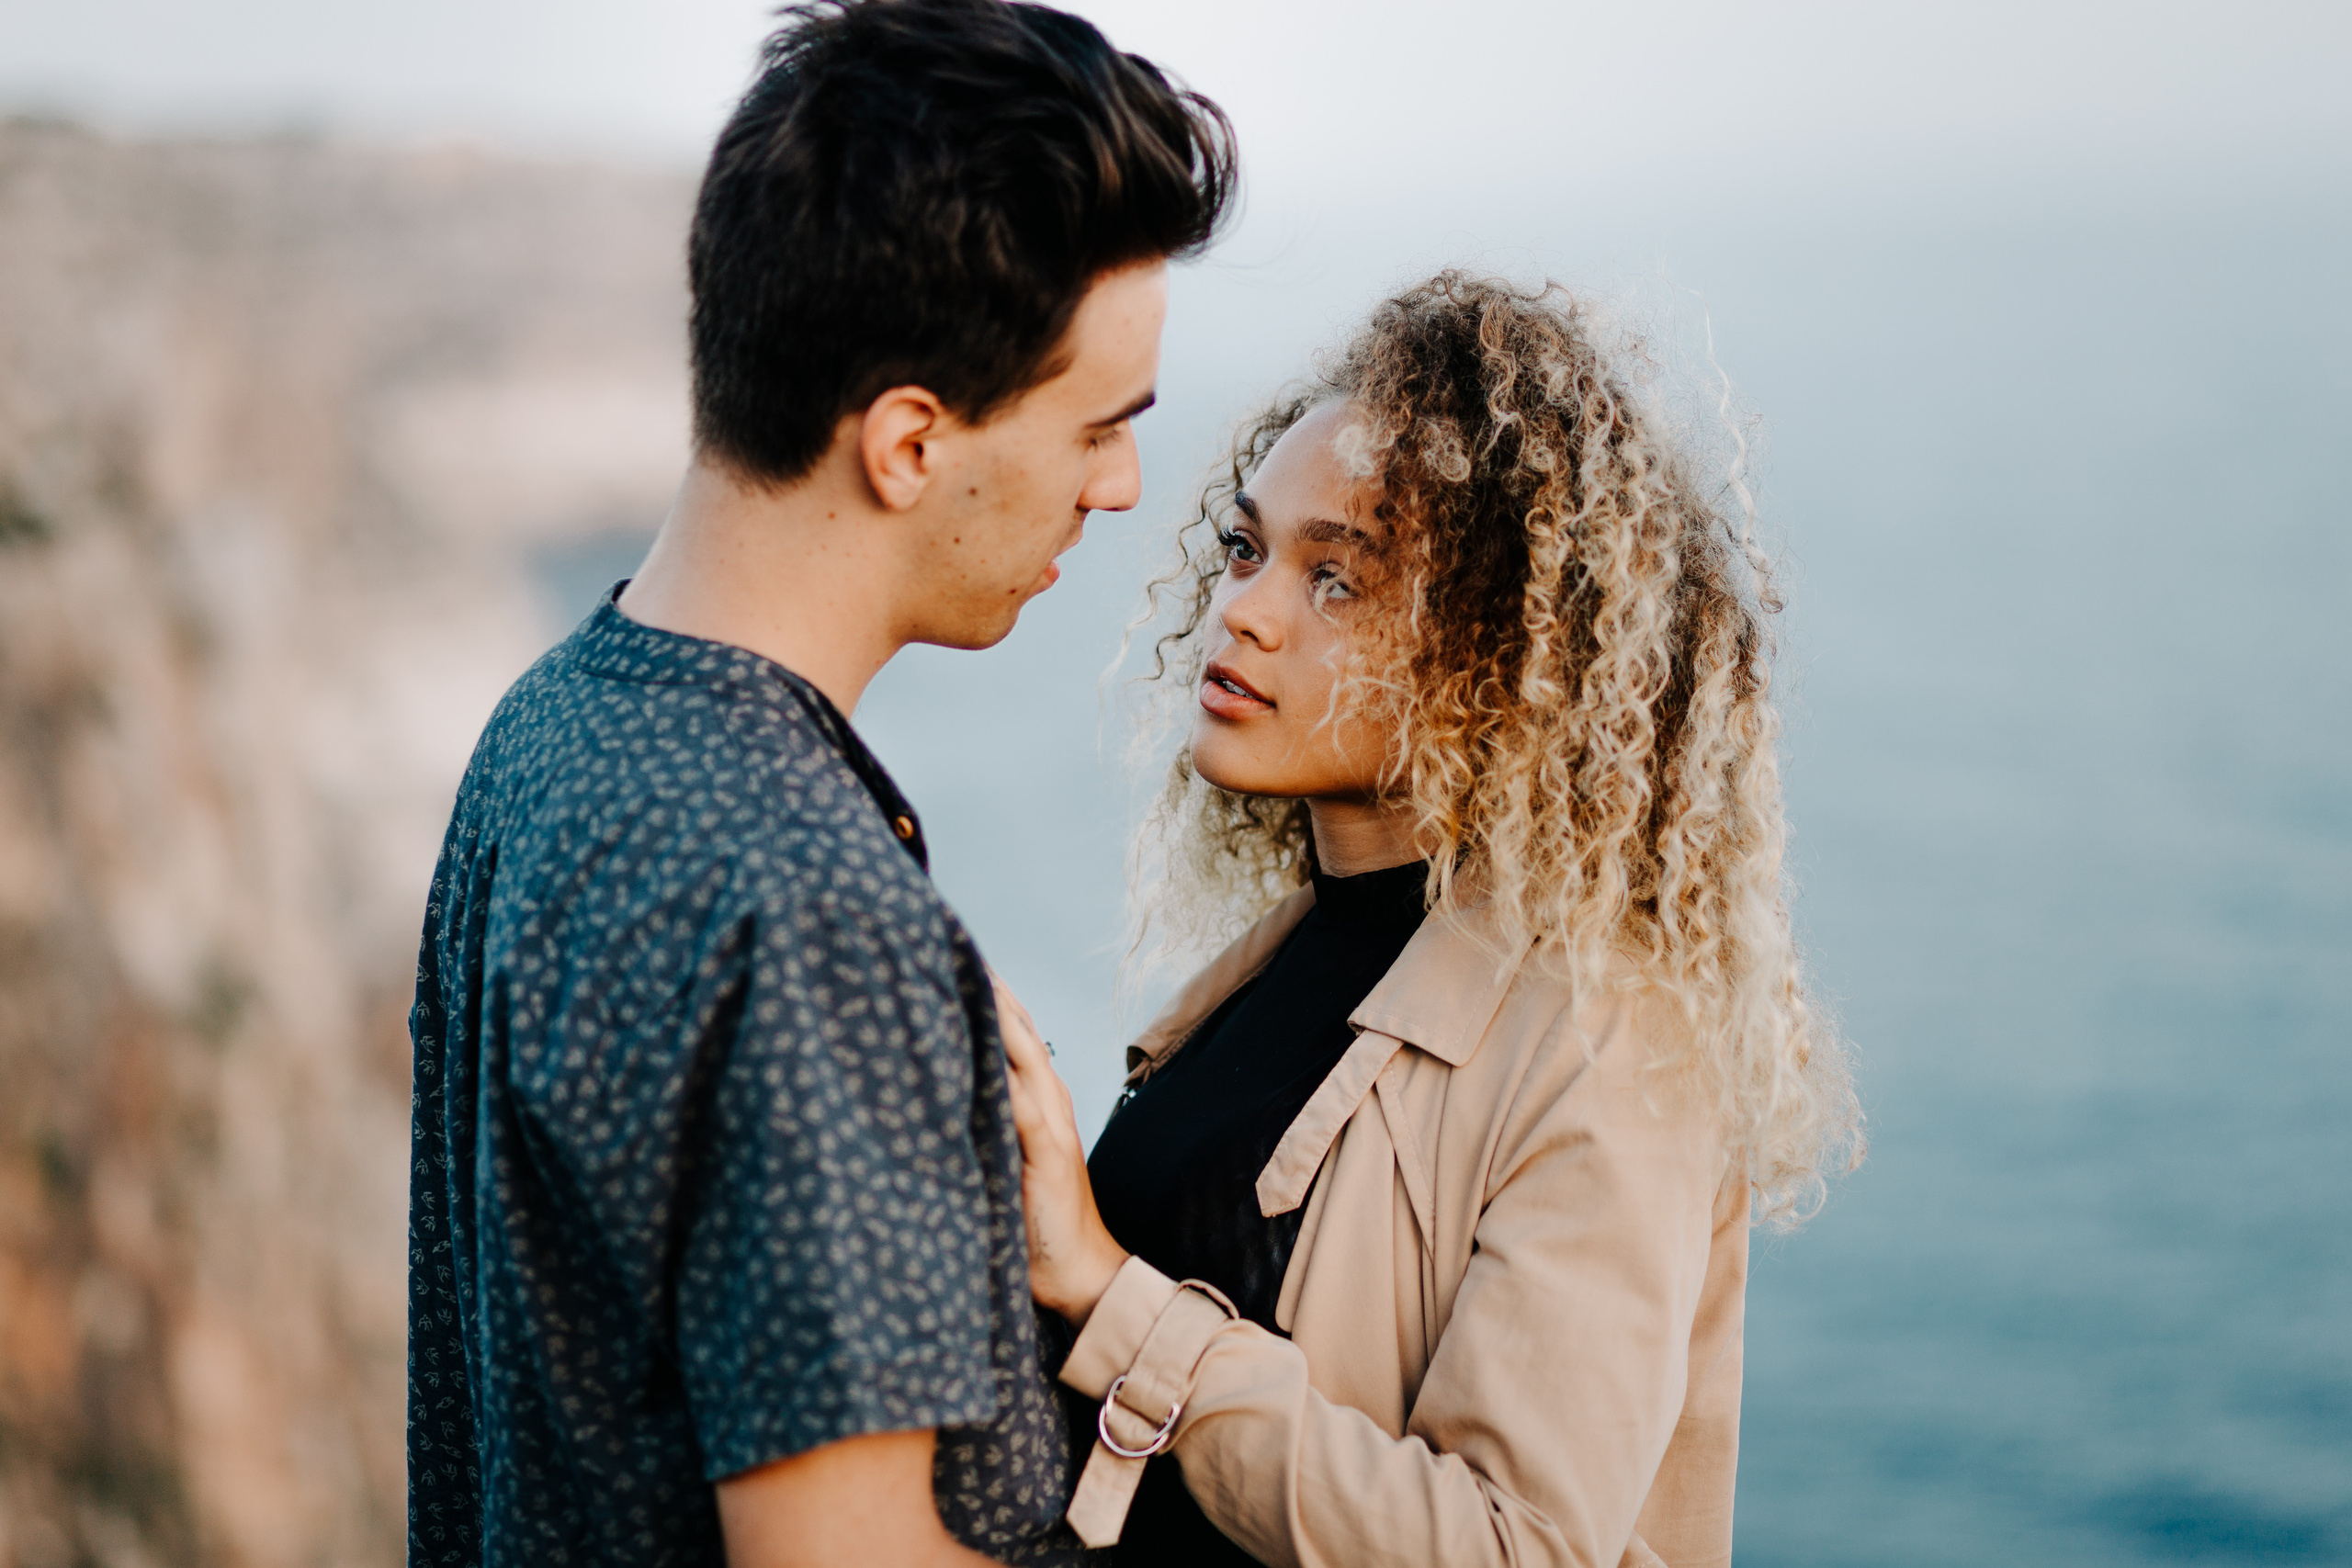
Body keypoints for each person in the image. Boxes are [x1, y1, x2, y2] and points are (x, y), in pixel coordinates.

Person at [403, 4, 1234, 1564]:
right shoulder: (810, 917)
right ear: (909, 442)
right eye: (1100, 425)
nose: (1121, 486)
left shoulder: (551, 733)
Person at [995, 273, 1862, 1568]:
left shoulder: (1607, 1037)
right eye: (1248, 549)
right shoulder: (1299, 953)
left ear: (1506, 656)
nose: (1246, 608)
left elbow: (1524, 1550)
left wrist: (1107, 1293)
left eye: (1338, 581)